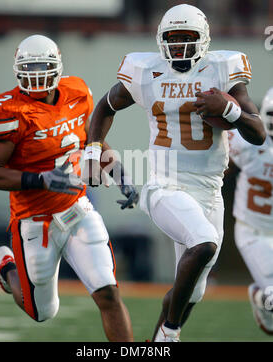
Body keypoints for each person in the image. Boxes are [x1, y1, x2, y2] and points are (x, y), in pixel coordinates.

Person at [83, 4, 266, 342]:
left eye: (187, 38)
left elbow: (258, 132)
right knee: (204, 243)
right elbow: (105, 106)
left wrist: (230, 109)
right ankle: (170, 332)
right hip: (164, 185)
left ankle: (158, 342)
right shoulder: (145, 71)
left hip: (209, 191)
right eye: (173, 39)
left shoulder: (222, 69)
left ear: (204, 39)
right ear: (160, 40)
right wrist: (94, 149)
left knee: (189, 295)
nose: (179, 47)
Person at [0, 34, 138, 342]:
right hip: (34, 221)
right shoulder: (10, 111)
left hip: (77, 209)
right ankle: (7, 268)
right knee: (41, 312)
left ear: (58, 67)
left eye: (43, 66)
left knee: (108, 292)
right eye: (30, 67)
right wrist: (40, 179)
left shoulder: (77, 93)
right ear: (17, 70)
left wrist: (118, 172)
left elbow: (92, 140)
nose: (37, 74)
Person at [227, 87, 273, 335]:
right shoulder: (247, 142)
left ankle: (262, 299)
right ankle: (260, 296)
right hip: (253, 232)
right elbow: (220, 167)